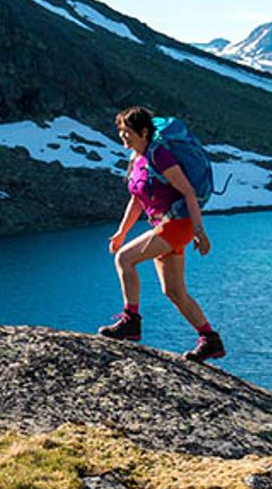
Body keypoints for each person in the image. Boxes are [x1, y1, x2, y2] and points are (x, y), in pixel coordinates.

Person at [96, 106, 225, 362]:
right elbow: (137, 198)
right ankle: (210, 340)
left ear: (144, 132)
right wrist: (122, 231)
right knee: (174, 291)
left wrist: (199, 231)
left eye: (127, 132)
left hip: (178, 224)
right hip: (165, 225)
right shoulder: (137, 158)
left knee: (124, 259)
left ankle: (130, 321)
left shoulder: (159, 156)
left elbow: (188, 192)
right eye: (121, 132)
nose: (123, 137)